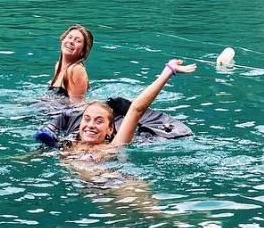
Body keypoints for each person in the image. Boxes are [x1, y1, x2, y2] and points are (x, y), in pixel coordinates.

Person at [62, 59, 194, 158]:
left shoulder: (113, 146)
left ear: (109, 130)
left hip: (116, 185)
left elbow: (136, 109)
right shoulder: (66, 146)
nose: (91, 125)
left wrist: (168, 71)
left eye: (99, 121)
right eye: (87, 119)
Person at [48, 24, 93, 101]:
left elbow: (76, 106)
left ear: (83, 51)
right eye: (70, 37)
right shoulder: (58, 65)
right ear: (63, 40)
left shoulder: (76, 70)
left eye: (78, 41)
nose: (71, 41)